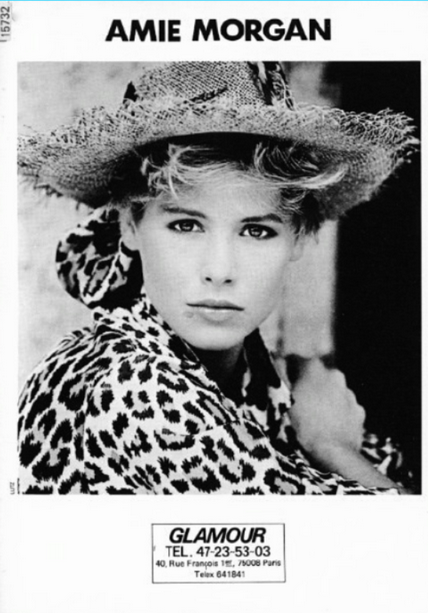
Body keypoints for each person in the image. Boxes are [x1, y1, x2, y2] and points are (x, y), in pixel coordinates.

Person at [17, 61, 417, 494]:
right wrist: (331, 444)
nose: (220, 271)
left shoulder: (265, 380)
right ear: (129, 224)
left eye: (256, 231)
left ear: (299, 237)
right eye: (186, 225)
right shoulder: (133, 388)